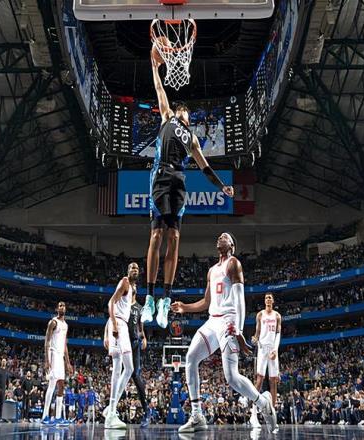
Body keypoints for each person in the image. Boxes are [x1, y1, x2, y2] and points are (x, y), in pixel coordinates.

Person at [141, 47, 234, 328]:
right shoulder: (167, 116)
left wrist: (222, 187)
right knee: (156, 234)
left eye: (186, 110)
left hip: (179, 181)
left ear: (189, 117)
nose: (183, 110)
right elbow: (159, 88)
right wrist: (154, 66)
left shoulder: (192, 139)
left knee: (175, 237)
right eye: (182, 108)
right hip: (160, 175)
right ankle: (149, 297)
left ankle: (165, 299)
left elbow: (205, 167)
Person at [171, 233, 277, 433]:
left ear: (232, 246)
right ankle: (197, 415)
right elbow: (206, 302)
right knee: (191, 358)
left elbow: (239, 299)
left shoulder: (233, 264)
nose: (220, 237)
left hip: (229, 320)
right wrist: (185, 307)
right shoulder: (212, 270)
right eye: (219, 237)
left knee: (232, 377)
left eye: (225, 237)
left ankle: (263, 403)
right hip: (213, 321)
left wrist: (238, 329)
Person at [104, 280, 150, 428]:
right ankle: (112, 410)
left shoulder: (139, 308)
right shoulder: (122, 300)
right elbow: (111, 315)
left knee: (134, 373)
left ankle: (144, 411)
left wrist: (144, 337)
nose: (133, 286)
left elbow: (140, 325)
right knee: (121, 368)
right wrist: (106, 335)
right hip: (121, 335)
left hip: (133, 342)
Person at [103, 262, 139, 429]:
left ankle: (110, 409)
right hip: (118, 324)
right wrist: (113, 328)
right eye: (132, 268)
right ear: (128, 271)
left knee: (126, 368)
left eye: (137, 268)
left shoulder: (132, 288)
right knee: (121, 367)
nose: (135, 270)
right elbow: (111, 303)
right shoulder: (124, 282)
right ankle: (111, 414)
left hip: (120, 324)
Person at [249, 293, 282, 428]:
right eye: (266, 298)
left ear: (273, 301)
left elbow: (278, 334)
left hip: (273, 349)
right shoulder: (260, 315)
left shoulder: (277, 316)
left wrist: (275, 350)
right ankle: (253, 414)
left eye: (270, 298)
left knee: (273, 381)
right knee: (259, 379)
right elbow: (257, 332)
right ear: (264, 301)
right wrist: (255, 338)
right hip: (262, 349)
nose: (268, 299)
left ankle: (272, 415)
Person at [41, 301, 72, 427]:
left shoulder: (66, 325)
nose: (62, 307)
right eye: (60, 305)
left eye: (64, 305)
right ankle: (45, 416)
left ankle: (58, 417)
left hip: (60, 356)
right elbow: (47, 341)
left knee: (61, 386)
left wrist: (68, 362)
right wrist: (47, 360)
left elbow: (65, 344)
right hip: (53, 354)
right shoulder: (53, 322)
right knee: (52, 384)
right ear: (56, 309)